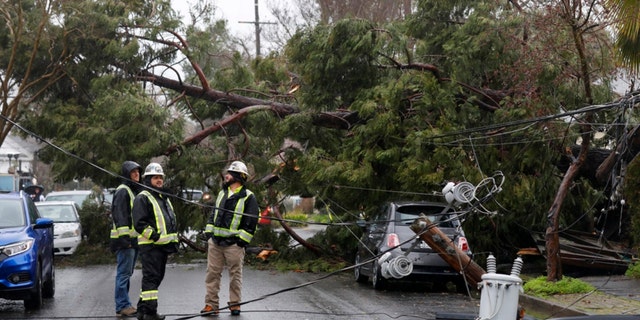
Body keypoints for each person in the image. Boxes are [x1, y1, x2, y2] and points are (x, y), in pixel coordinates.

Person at [201, 161, 259, 316]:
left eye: (230, 173)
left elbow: (251, 221)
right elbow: (214, 214)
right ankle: (211, 305)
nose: (226, 175)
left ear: (239, 177)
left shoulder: (248, 197)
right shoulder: (222, 193)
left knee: (235, 275)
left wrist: (242, 241)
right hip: (216, 242)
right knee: (212, 274)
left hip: (234, 244)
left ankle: (235, 304)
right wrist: (209, 233)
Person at [132, 163, 178, 320]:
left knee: (155, 278)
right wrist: (155, 237)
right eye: (155, 177)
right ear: (148, 179)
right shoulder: (143, 197)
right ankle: (150, 313)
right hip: (151, 246)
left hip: (162, 246)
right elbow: (139, 223)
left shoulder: (161, 197)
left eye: (161, 177)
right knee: (151, 279)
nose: (159, 180)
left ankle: (141, 310)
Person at [110, 161, 142, 317]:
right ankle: (122, 305)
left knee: (126, 274)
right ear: (126, 174)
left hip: (132, 241)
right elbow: (120, 216)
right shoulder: (123, 191)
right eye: (133, 172)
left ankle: (125, 304)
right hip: (125, 242)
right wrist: (125, 239)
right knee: (123, 274)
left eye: (138, 171)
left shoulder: (132, 190)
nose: (137, 174)